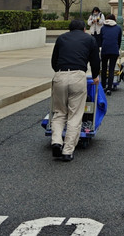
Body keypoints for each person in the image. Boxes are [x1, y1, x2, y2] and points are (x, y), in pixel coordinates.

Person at [49, 18, 101, 161]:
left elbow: (54, 61)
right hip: (78, 76)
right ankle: (67, 151)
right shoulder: (89, 39)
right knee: (75, 115)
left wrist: (60, 72)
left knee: (59, 113)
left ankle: (56, 141)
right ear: (84, 28)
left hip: (60, 75)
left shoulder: (61, 38)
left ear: (69, 29)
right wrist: (95, 76)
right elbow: (95, 60)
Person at [100, 12, 122, 95]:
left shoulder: (103, 28)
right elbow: (119, 40)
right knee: (111, 69)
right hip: (114, 50)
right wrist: (117, 48)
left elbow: (101, 39)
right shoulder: (118, 28)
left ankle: (103, 87)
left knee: (104, 68)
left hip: (105, 49)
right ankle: (109, 88)